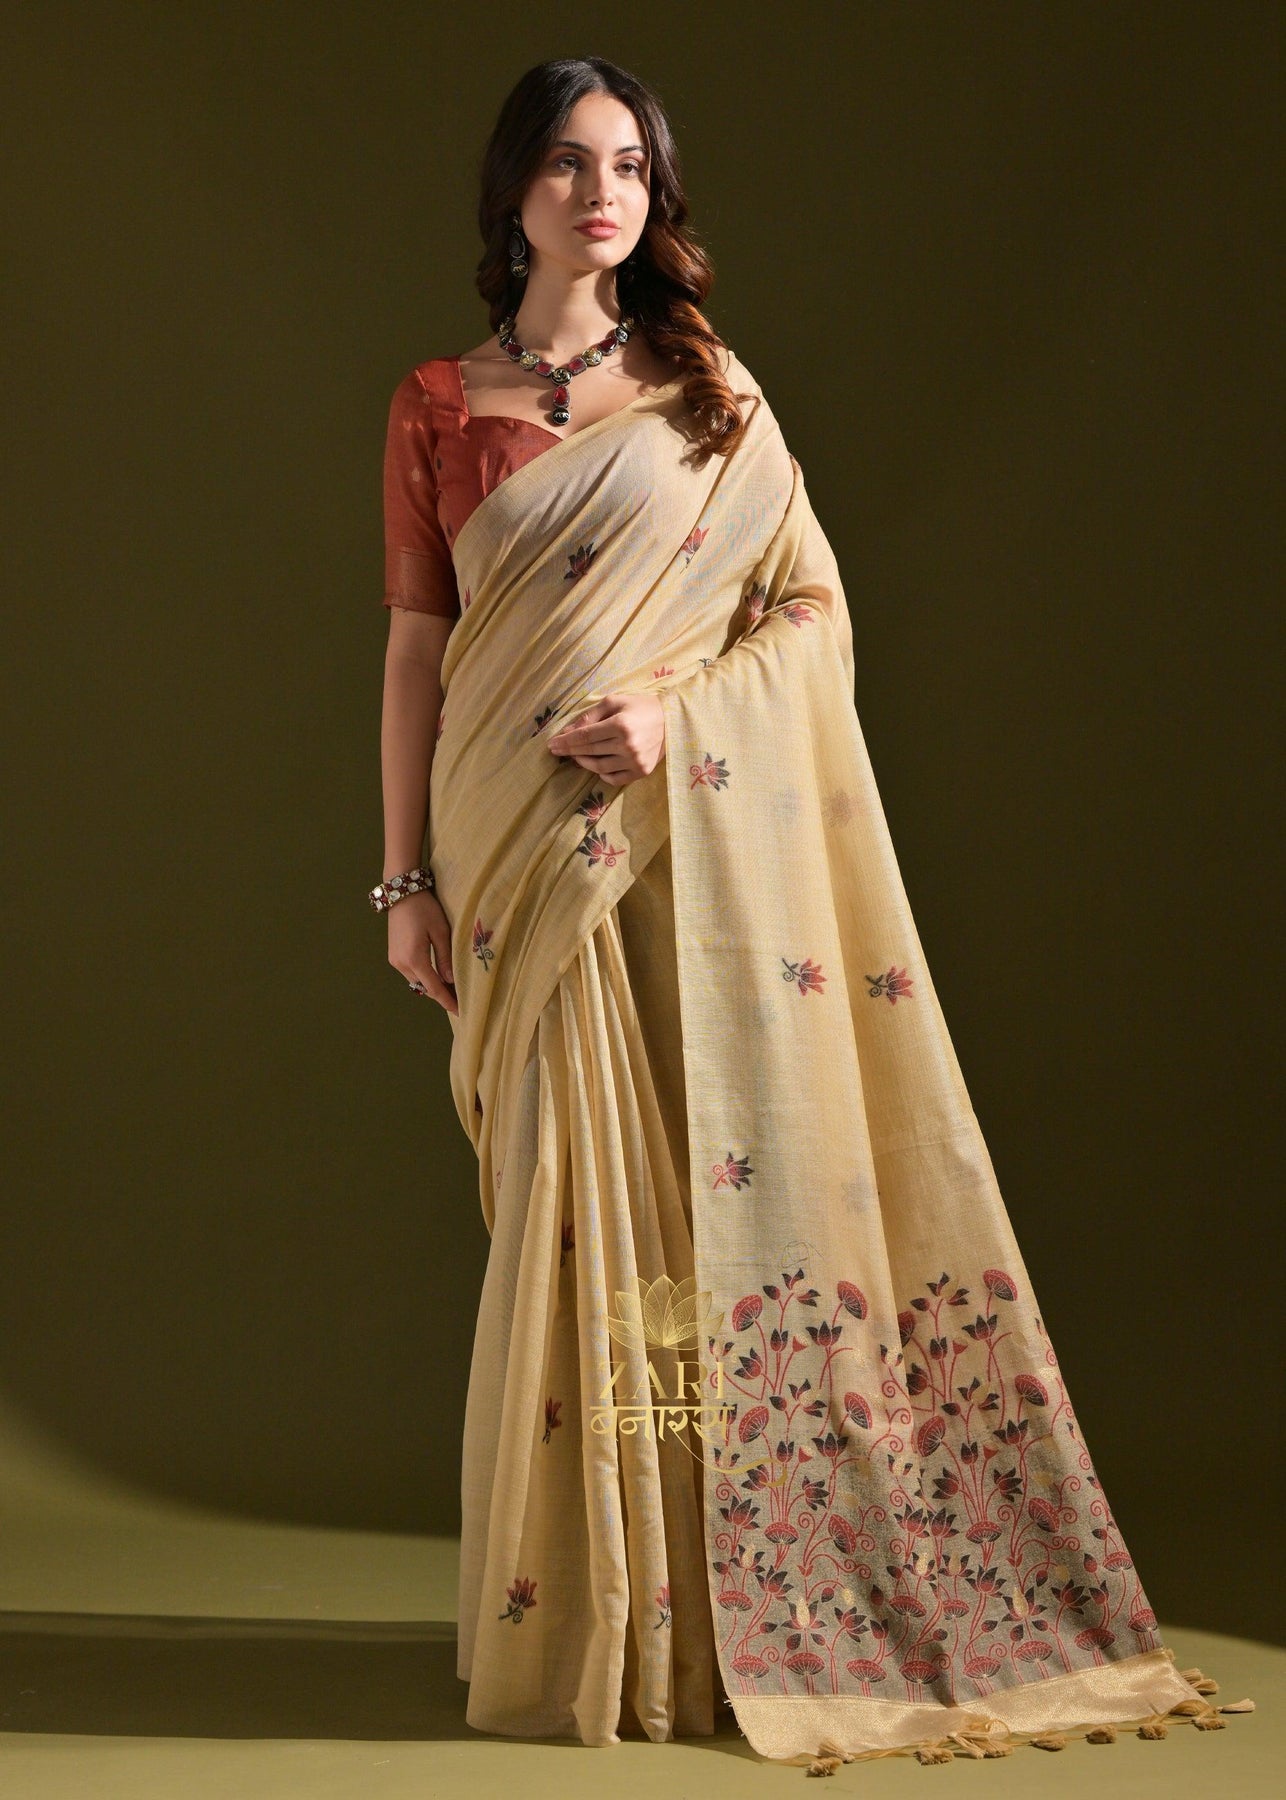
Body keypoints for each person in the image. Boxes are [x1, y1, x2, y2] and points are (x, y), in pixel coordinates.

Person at [372, 55, 1236, 1772]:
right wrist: (404, 879)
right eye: (568, 165)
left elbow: (810, 617)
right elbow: (413, 651)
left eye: (629, 167)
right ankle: (597, 1614)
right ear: (514, 191)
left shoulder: (709, 399)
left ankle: (725, 1611)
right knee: (567, 1210)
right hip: (509, 848)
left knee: (699, 1206)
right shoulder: (433, 403)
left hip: (678, 853)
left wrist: (673, 720)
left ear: (654, 197)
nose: (600, 195)